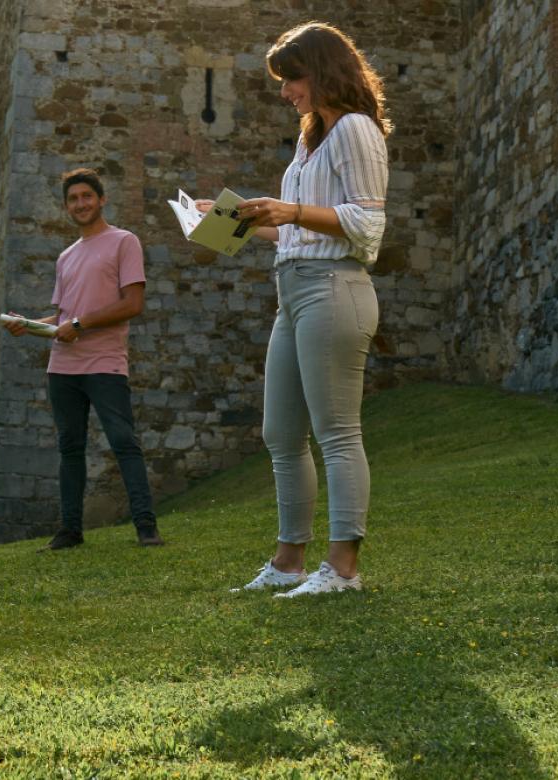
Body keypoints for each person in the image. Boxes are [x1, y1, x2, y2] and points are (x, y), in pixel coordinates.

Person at [219, 22, 390, 597]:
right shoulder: (310, 142)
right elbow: (298, 231)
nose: (286, 91)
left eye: (292, 78)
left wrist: (289, 212)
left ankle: (342, 568)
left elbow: (366, 224)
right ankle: (289, 560)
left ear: (323, 72)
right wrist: (230, 222)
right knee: (280, 433)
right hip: (293, 290)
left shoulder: (356, 131)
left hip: (334, 289)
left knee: (336, 432)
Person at [4, 167, 163, 550]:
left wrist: (80, 322)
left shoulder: (124, 242)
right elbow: (61, 318)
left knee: (124, 442)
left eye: (86, 197)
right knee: (69, 448)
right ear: (67, 206)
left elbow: (133, 304)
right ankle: (70, 531)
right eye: (73, 199)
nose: (81, 204)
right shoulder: (66, 256)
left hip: (105, 362)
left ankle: (146, 528)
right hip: (62, 367)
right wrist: (28, 325)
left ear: (102, 199)